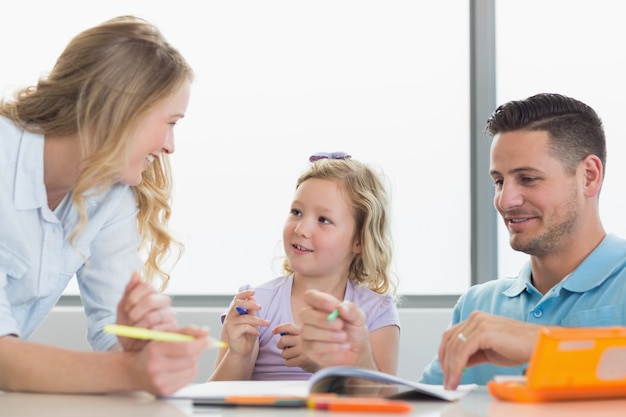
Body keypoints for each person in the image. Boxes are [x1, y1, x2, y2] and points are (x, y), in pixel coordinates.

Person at [0, 16, 210, 395]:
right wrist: (133, 371)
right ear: (116, 109)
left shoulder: (109, 194)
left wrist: (145, 343)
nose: (169, 146)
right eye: (169, 122)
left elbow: (112, 330)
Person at [418, 93, 626, 390]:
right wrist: (356, 361)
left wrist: (541, 343)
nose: (505, 200)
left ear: (589, 176)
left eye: (527, 178)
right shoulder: (477, 307)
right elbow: (420, 408)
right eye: (499, 181)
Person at [210, 152, 400, 380]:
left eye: (324, 220)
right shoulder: (254, 304)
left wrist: (326, 366)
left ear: (359, 240)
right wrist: (238, 355)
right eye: (296, 212)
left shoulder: (376, 311)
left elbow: (383, 404)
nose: (301, 229)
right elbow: (217, 404)